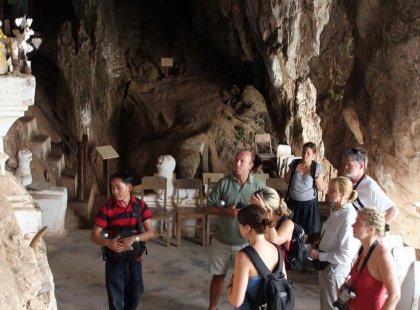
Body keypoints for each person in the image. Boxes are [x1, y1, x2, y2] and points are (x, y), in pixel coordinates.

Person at [206, 150, 266, 310]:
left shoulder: (259, 187)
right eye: (236, 160)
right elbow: (209, 207)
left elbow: (267, 214)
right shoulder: (224, 183)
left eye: (242, 161)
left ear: (251, 165)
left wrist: (258, 208)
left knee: (247, 280)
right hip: (222, 240)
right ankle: (212, 308)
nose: (237, 164)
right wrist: (227, 212)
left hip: (247, 244)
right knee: (218, 277)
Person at [91, 171, 155, 310]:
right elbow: (94, 235)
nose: (114, 191)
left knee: (136, 292)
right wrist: (108, 243)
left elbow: (150, 232)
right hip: (114, 259)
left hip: (134, 259)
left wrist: (134, 238)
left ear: (129, 188)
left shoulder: (140, 206)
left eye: (118, 187)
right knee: (115, 298)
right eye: (112, 187)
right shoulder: (107, 208)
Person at [309, 177, 360, 310]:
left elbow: (345, 255)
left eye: (332, 190)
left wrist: (319, 255)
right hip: (326, 266)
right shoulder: (337, 210)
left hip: (335, 269)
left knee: (332, 306)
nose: (328, 192)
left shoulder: (348, 217)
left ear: (342, 194)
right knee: (325, 304)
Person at [227, 204, 286, 309]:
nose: (238, 227)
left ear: (247, 228)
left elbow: (236, 301)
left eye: (240, 224)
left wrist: (229, 287)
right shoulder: (276, 249)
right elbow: (283, 282)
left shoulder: (244, 256)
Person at [345, 208, 400, 310]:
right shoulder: (363, 248)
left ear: (370, 230)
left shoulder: (382, 255)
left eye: (358, 222)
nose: (352, 225)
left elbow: (394, 295)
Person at [342, 147, 399, 228]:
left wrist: (379, 231)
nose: (345, 167)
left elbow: (393, 211)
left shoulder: (370, 187)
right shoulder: (349, 182)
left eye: (349, 165)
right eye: (345, 164)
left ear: (361, 166)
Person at [284, 142, 326, 242]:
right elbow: (286, 180)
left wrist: (314, 175)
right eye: (303, 152)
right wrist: (291, 171)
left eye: (308, 153)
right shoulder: (294, 163)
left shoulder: (316, 168)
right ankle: (290, 250)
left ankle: (301, 250)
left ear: (313, 154)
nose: (304, 155)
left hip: (308, 205)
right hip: (293, 203)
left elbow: (321, 188)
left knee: (305, 231)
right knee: (290, 228)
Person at [250, 187, 294, 259]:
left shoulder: (288, 224)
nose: (252, 210)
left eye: (255, 207)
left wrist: (266, 217)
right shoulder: (259, 219)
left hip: (276, 266)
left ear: (268, 209)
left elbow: (274, 241)